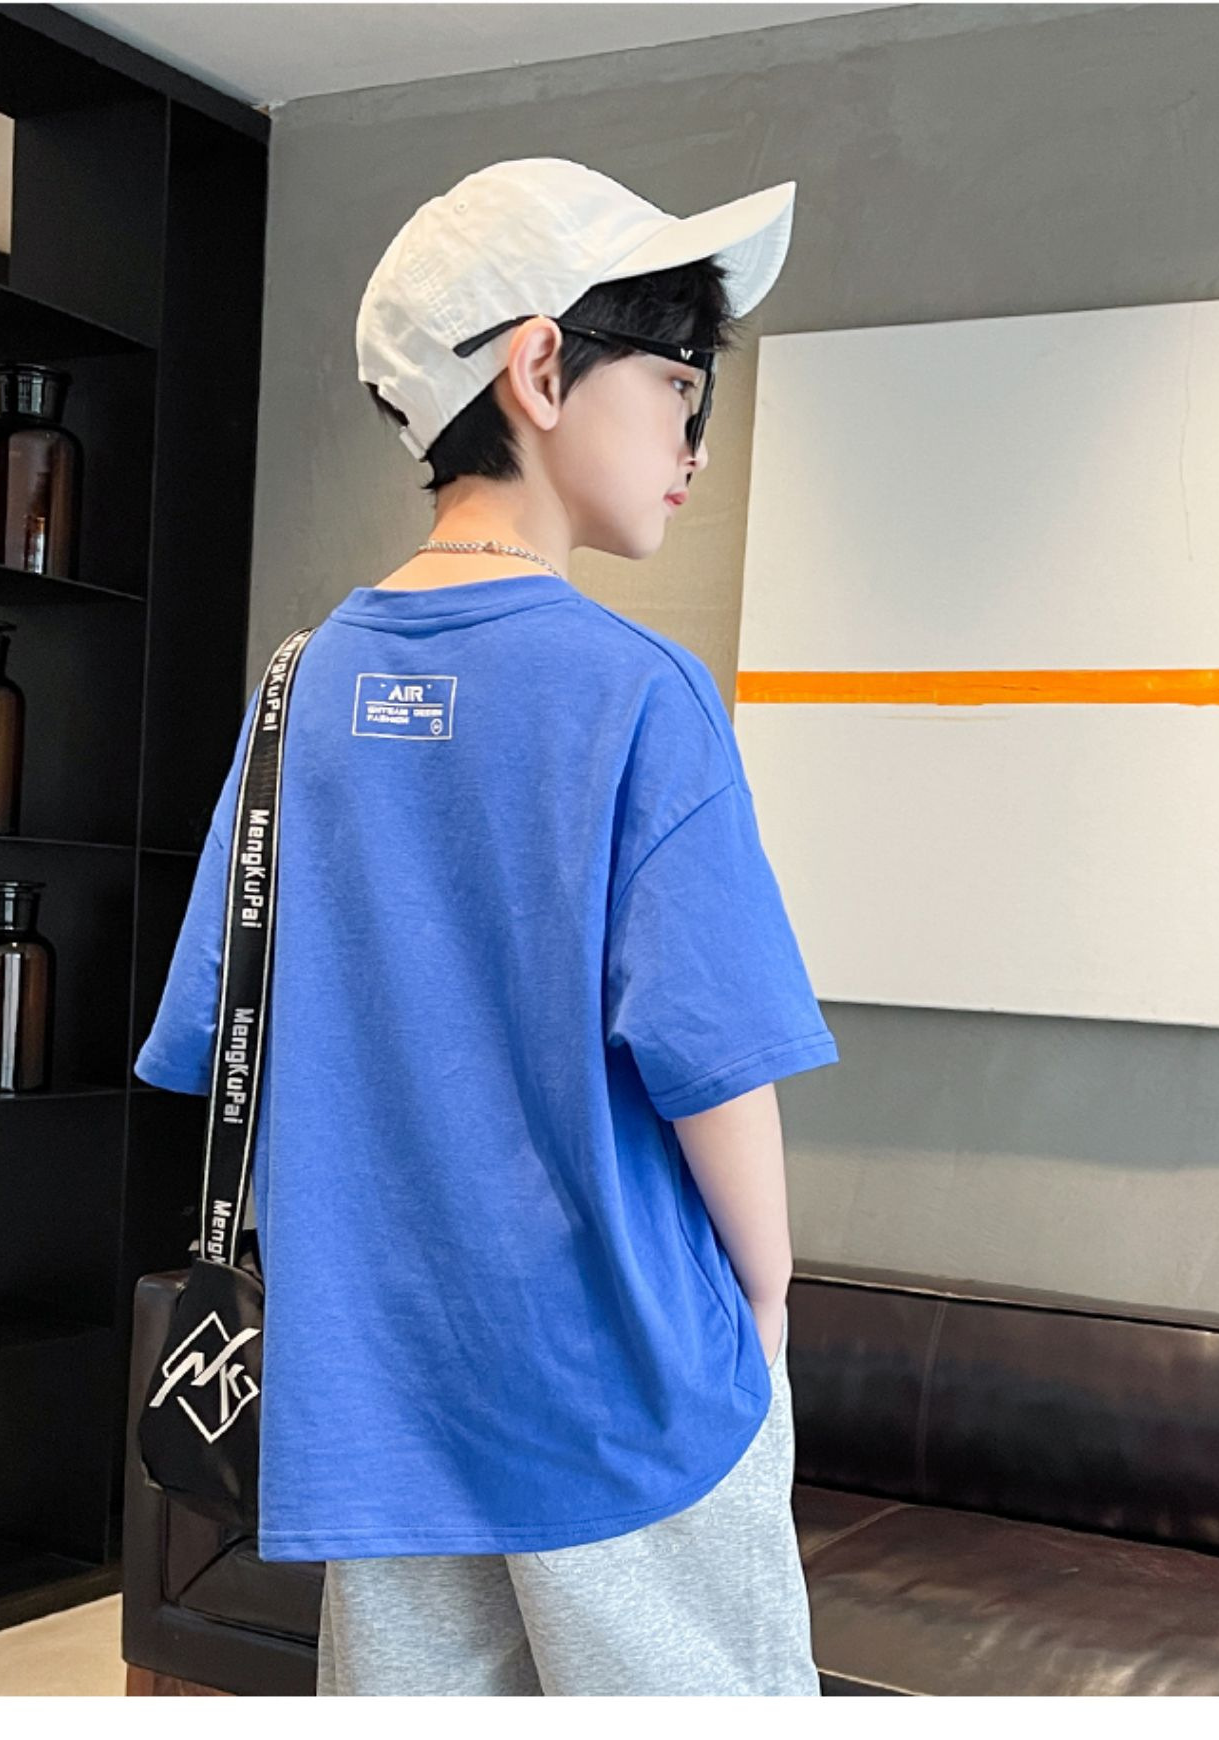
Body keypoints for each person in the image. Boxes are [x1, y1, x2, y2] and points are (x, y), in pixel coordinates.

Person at [134, 157, 840, 1696]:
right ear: (538, 368)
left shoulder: (295, 693)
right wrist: (768, 1303)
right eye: (679, 384)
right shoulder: (638, 693)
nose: (693, 444)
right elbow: (716, 1064)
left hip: (382, 1394)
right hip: (625, 1388)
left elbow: (227, 1044)